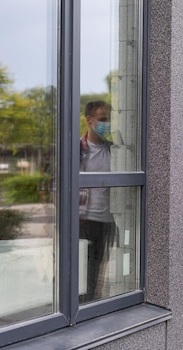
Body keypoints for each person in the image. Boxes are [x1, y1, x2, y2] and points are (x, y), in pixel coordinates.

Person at [79, 100, 116, 302]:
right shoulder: (77, 149)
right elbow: (55, 186)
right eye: (102, 119)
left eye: (108, 119)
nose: (106, 124)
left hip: (106, 221)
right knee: (82, 270)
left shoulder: (113, 150)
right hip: (84, 221)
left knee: (97, 269)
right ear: (89, 120)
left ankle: (91, 305)